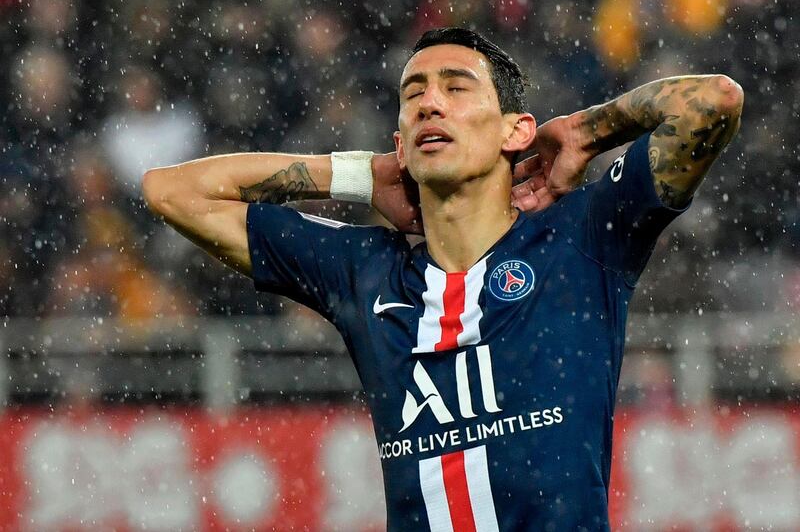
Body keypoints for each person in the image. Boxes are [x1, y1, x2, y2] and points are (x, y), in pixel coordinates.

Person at [143, 27, 743, 532]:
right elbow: (171, 191)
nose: (432, 103)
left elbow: (713, 101)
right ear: (402, 146)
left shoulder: (582, 238)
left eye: (457, 88)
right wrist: (360, 173)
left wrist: (587, 131)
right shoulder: (366, 271)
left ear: (516, 131)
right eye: (415, 95)